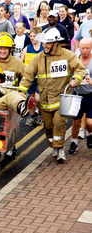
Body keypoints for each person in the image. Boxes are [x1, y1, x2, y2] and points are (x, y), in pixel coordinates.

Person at [18, 27, 86, 162]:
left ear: (56, 43)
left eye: (48, 43)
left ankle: (60, 148)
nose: (45, 45)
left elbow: (80, 69)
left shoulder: (68, 55)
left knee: (60, 123)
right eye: (44, 43)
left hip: (61, 98)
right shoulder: (38, 58)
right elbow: (28, 76)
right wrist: (21, 91)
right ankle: (53, 146)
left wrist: (75, 80)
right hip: (44, 99)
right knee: (48, 127)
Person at [68, 38, 92, 154]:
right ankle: (74, 142)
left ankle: (89, 133)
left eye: (88, 48)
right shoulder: (75, 60)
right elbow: (68, 74)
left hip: (90, 95)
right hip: (77, 95)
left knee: (89, 122)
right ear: (79, 48)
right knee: (76, 122)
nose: (85, 50)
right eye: (83, 48)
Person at [21, 26, 44, 126]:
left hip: (41, 78)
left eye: (34, 36)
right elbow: (20, 63)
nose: (32, 38)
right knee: (31, 98)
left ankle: (40, 114)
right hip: (30, 78)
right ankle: (32, 116)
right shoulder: (27, 48)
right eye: (31, 36)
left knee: (38, 99)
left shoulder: (44, 48)